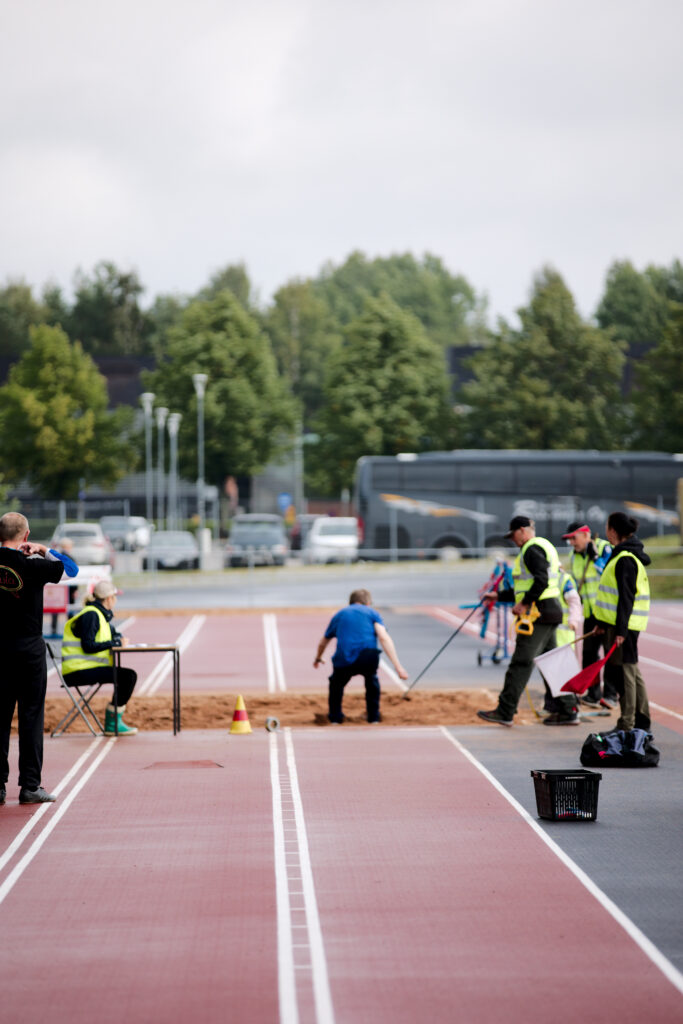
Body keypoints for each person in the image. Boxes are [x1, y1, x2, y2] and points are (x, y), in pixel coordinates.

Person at [0, 512, 74, 805]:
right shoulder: (33, 564)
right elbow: (71, 569)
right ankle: (30, 786)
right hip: (29, 650)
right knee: (31, 717)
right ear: (26, 536)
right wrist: (44, 550)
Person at [477, 515, 579, 727]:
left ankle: (505, 711)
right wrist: (500, 596)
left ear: (522, 530)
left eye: (513, 534)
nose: (512, 540)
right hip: (550, 611)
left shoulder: (531, 549)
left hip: (537, 614)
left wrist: (524, 604)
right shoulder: (543, 546)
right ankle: (569, 710)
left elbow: (540, 581)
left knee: (521, 662)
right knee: (554, 661)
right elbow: (530, 584)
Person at [313, 588, 409, 723]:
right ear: (368, 603)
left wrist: (318, 658)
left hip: (344, 658)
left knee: (336, 684)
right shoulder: (372, 613)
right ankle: (373, 717)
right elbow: (383, 637)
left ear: (350, 602)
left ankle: (335, 717)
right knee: (372, 681)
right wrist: (398, 667)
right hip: (368, 656)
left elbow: (323, 642)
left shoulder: (339, 614)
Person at [594, 512, 651, 733]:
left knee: (625, 674)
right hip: (621, 625)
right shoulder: (623, 556)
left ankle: (627, 725)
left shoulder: (625, 559)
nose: (606, 531)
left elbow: (626, 597)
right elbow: (614, 596)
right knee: (633, 672)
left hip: (625, 626)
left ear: (613, 531)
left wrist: (620, 630)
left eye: (607, 527)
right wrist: (602, 622)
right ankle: (641, 721)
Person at [61, 579, 138, 736]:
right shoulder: (91, 615)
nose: (116, 601)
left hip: (86, 668)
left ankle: (113, 721)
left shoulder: (99, 615)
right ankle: (112, 722)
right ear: (109, 598)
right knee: (128, 676)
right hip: (78, 670)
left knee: (126, 676)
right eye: (115, 597)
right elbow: (88, 646)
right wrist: (113, 643)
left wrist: (118, 639)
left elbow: (114, 634)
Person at [563, 521, 615, 707]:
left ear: (586, 535)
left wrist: (595, 558)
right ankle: (593, 694)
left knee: (610, 653)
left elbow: (608, 574)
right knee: (588, 653)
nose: (572, 543)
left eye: (574, 539)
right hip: (591, 612)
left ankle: (610, 695)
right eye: (569, 540)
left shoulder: (604, 548)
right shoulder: (574, 556)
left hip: (607, 611)